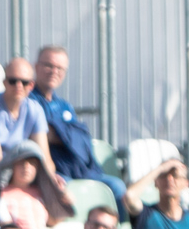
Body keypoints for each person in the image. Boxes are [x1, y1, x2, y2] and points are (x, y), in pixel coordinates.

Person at [29, 44, 128, 213]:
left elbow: (78, 137)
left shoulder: (64, 105)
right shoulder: (29, 100)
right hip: (54, 172)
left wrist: (60, 132)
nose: (54, 71)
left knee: (117, 187)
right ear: (36, 67)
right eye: (49, 65)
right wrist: (69, 134)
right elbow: (42, 135)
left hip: (79, 169)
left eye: (60, 68)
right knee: (65, 192)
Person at [0, 57, 52, 171]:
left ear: (31, 85)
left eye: (24, 82)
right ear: (4, 83)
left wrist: (51, 181)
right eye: (13, 81)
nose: (19, 86)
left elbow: (44, 156)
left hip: (17, 170)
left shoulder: (35, 109)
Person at [0, 141, 68, 229]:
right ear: (11, 165)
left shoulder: (41, 193)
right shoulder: (2, 194)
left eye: (32, 163)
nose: (26, 167)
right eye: (21, 163)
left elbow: (52, 221)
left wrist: (62, 197)